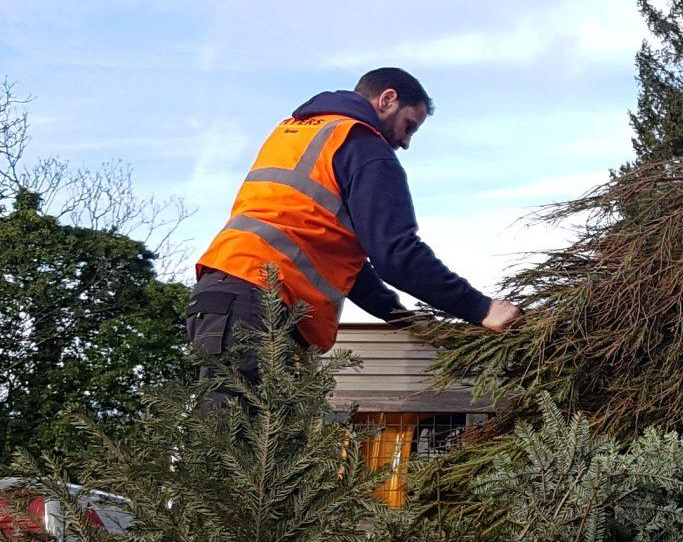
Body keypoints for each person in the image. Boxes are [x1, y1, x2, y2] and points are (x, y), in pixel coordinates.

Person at [186, 68, 520, 380]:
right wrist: (483, 308)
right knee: (243, 434)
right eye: (409, 126)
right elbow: (397, 256)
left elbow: (343, 262)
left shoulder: (297, 132)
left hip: (232, 294)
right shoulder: (364, 146)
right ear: (387, 100)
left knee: (254, 436)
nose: (406, 143)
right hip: (262, 300)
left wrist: (401, 316)